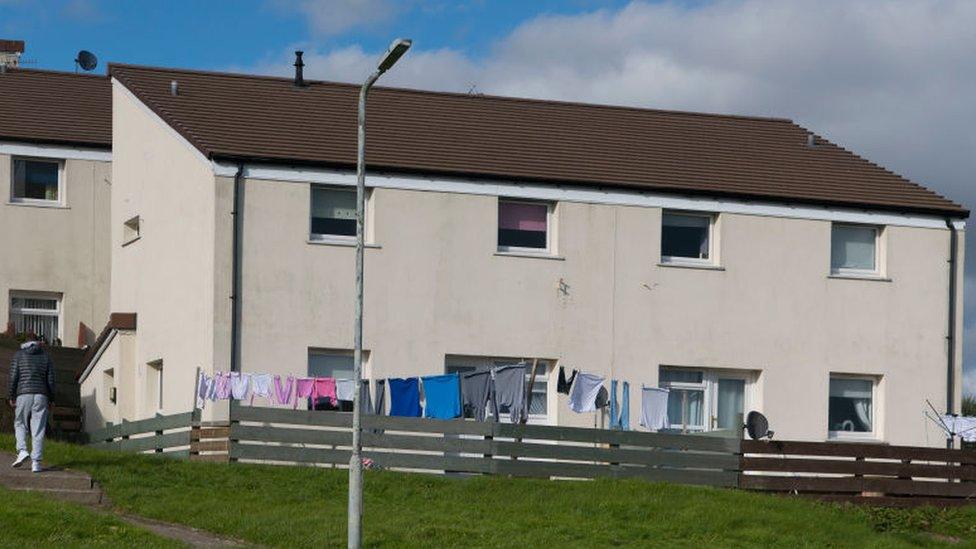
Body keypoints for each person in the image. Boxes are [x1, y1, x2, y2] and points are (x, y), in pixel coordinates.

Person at [8, 334, 55, 473]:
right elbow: (51, 381)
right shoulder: (46, 357)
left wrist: (11, 395)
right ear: (38, 342)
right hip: (41, 395)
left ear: (25, 343)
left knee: (20, 423)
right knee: (38, 428)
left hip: (23, 394)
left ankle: (22, 450)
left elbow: (13, 377)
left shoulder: (18, 355)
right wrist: (52, 399)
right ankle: (36, 463)